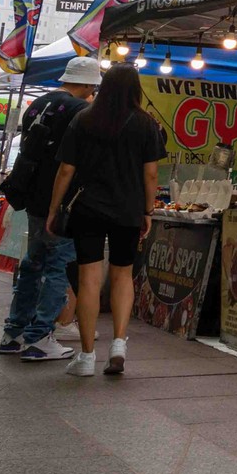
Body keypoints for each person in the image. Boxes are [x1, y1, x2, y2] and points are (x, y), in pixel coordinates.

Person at [47, 65, 163, 377]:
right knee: (123, 275)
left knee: (89, 280)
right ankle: (119, 344)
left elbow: (66, 170)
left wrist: (54, 208)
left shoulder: (83, 118)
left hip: (87, 208)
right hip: (128, 209)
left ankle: (86, 357)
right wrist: (148, 210)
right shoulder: (145, 123)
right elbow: (150, 173)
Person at [0, 56, 98, 363]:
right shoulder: (81, 111)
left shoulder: (36, 105)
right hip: (62, 199)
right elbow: (72, 162)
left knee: (33, 262)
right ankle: (40, 337)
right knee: (58, 266)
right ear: (87, 83)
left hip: (32, 195)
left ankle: (13, 333)